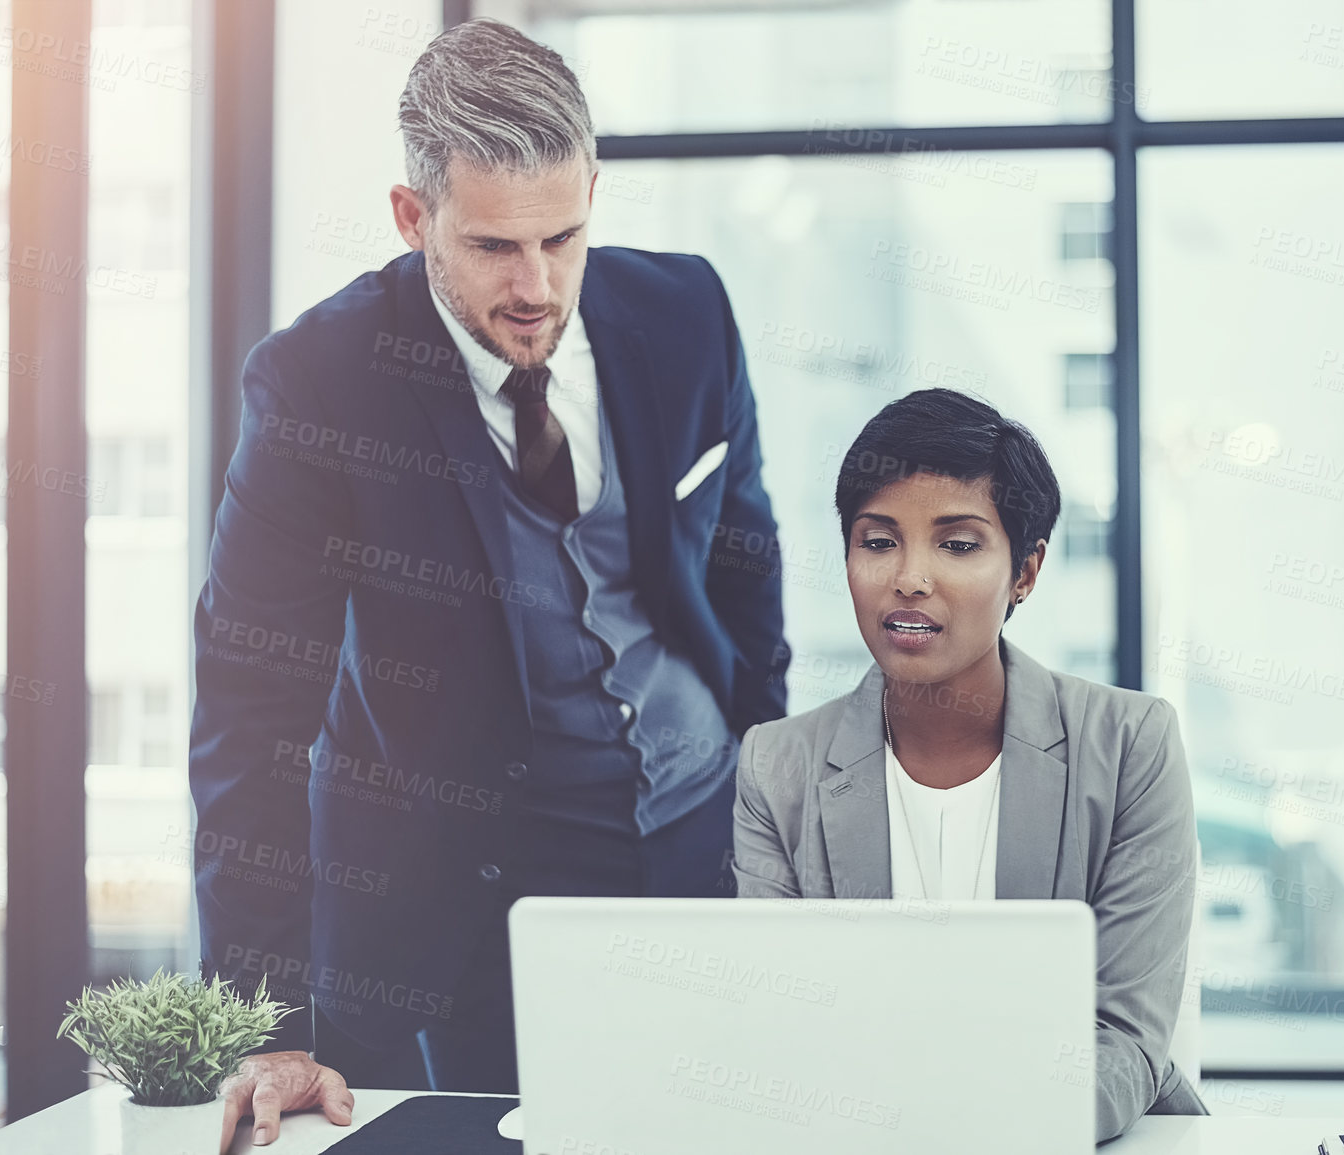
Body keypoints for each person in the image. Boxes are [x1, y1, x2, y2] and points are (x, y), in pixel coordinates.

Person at [188, 18, 789, 1149]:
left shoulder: (688, 314)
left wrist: (773, 797)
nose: (536, 286)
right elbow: (250, 713)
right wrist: (260, 1021)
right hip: (465, 899)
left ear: (595, 190)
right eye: (493, 247)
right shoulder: (316, 386)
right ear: (414, 218)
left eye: (563, 238)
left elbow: (745, 568)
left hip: (703, 845)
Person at [731, 388, 1205, 1142]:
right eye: (877, 541)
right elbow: (782, 1024)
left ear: (1025, 570)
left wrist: (975, 1130)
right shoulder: (776, 765)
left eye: (956, 543)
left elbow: (1124, 1035)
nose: (909, 577)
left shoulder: (1130, 743)